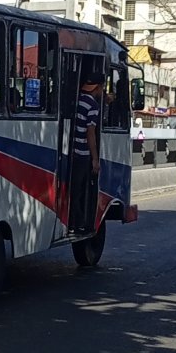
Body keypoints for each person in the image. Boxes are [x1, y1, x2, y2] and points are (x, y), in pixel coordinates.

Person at [69, 72, 105, 235]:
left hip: (70, 151)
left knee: (73, 189)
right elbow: (90, 132)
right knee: (80, 191)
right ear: (98, 88)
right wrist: (95, 159)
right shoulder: (93, 105)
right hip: (82, 154)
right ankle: (77, 223)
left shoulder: (77, 99)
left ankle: (73, 221)